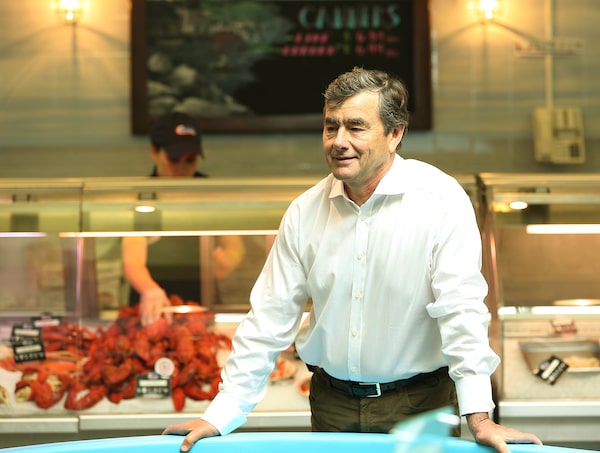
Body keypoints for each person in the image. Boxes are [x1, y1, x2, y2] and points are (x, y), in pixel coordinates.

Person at [162, 69, 542, 453]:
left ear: (395, 134)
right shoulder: (305, 211)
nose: (339, 141)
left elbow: (460, 309)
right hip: (331, 404)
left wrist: (479, 416)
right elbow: (270, 318)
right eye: (331, 127)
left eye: (356, 127)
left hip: (420, 404)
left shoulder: (440, 200)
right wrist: (222, 414)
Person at [122, 111, 244, 325]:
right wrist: (150, 290)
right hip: (152, 312)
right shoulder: (143, 199)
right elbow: (132, 259)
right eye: (173, 159)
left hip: (202, 310)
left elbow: (235, 246)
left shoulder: (210, 193)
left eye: (189, 160)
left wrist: (229, 261)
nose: (182, 167)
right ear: (154, 152)